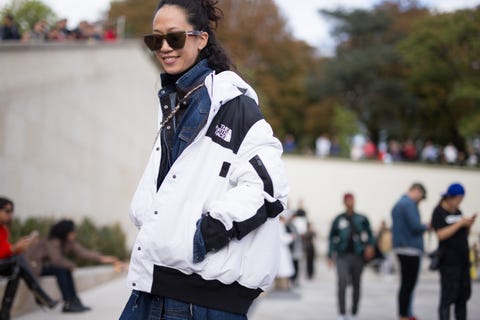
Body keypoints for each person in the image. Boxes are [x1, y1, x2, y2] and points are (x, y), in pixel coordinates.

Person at [119, 1, 289, 319]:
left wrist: (203, 236)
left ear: (201, 39)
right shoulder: (178, 101)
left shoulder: (232, 105)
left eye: (175, 37)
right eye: (156, 39)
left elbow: (270, 185)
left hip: (198, 301)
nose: (164, 47)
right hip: (155, 287)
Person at [24, 219, 121, 313]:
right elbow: (56, 260)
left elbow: (83, 252)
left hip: (43, 266)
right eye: (72, 232)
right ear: (65, 232)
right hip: (33, 267)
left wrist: (102, 258)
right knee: (61, 269)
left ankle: (73, 300)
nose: (75, 234)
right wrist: (71, 265)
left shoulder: (67, 241)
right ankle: (68, 303)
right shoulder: (52, 240)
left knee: (64, 269)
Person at [0, 197, 58, 320]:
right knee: (17, 261)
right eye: (7, 211)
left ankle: (5, 314)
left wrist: (21, 246)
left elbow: (5, 251)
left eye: (12, 211)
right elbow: (6, 251)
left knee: (16, 269)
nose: (10, 215)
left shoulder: (3, 230)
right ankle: (40, 296)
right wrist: (14, 248)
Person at [430, 183, 477, 320]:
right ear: (451, 197)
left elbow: (463, 235)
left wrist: (468, 225)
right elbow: (441, 234)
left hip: (463, 260)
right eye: (458, 199)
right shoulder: (438, 212)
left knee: (462, 297)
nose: (459, 202)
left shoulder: (458, 212)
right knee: (448, 297)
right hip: (449, 262)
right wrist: (460, 224)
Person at [327, 193, 375, 320]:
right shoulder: (338, 219)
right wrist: (330, 255)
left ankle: (354, 312)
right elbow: (332, 237)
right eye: (347, 201)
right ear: (344, 202)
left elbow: (370, 234)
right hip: (342, 256)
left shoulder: (362, 218)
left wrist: (370, 247)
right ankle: (342, 313)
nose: (350, 203)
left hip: (358, 256)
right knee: (342, 282)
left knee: (356, 283)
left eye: (352, 200)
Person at [391, 182, 428, 320]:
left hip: (402, 247)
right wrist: (427, 226)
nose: (420, 201)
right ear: (416, 191)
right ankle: (405, 314)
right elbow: (415, 226)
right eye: (421, 197)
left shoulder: (399, 203)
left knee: (406, 284)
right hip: (410, 249)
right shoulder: (408, 204)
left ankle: (406, 313)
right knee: (408, 285)